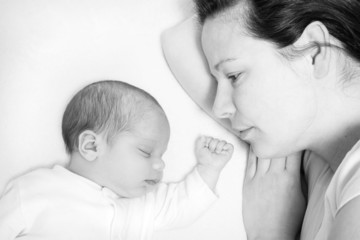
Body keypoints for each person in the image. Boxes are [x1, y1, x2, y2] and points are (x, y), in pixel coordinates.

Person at [161, 0, 360, 239]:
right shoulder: (321, 160)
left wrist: (270, 233)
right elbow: (178, 43)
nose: (219, 107)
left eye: (234, 76)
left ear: (314, 51)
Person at [0, 80, 234, 240]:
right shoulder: (35, 190)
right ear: (91, 146)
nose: (161, 165)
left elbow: (182, 205)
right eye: (145, 151)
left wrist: (209, 168)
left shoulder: (142, 203)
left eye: (161, 156)